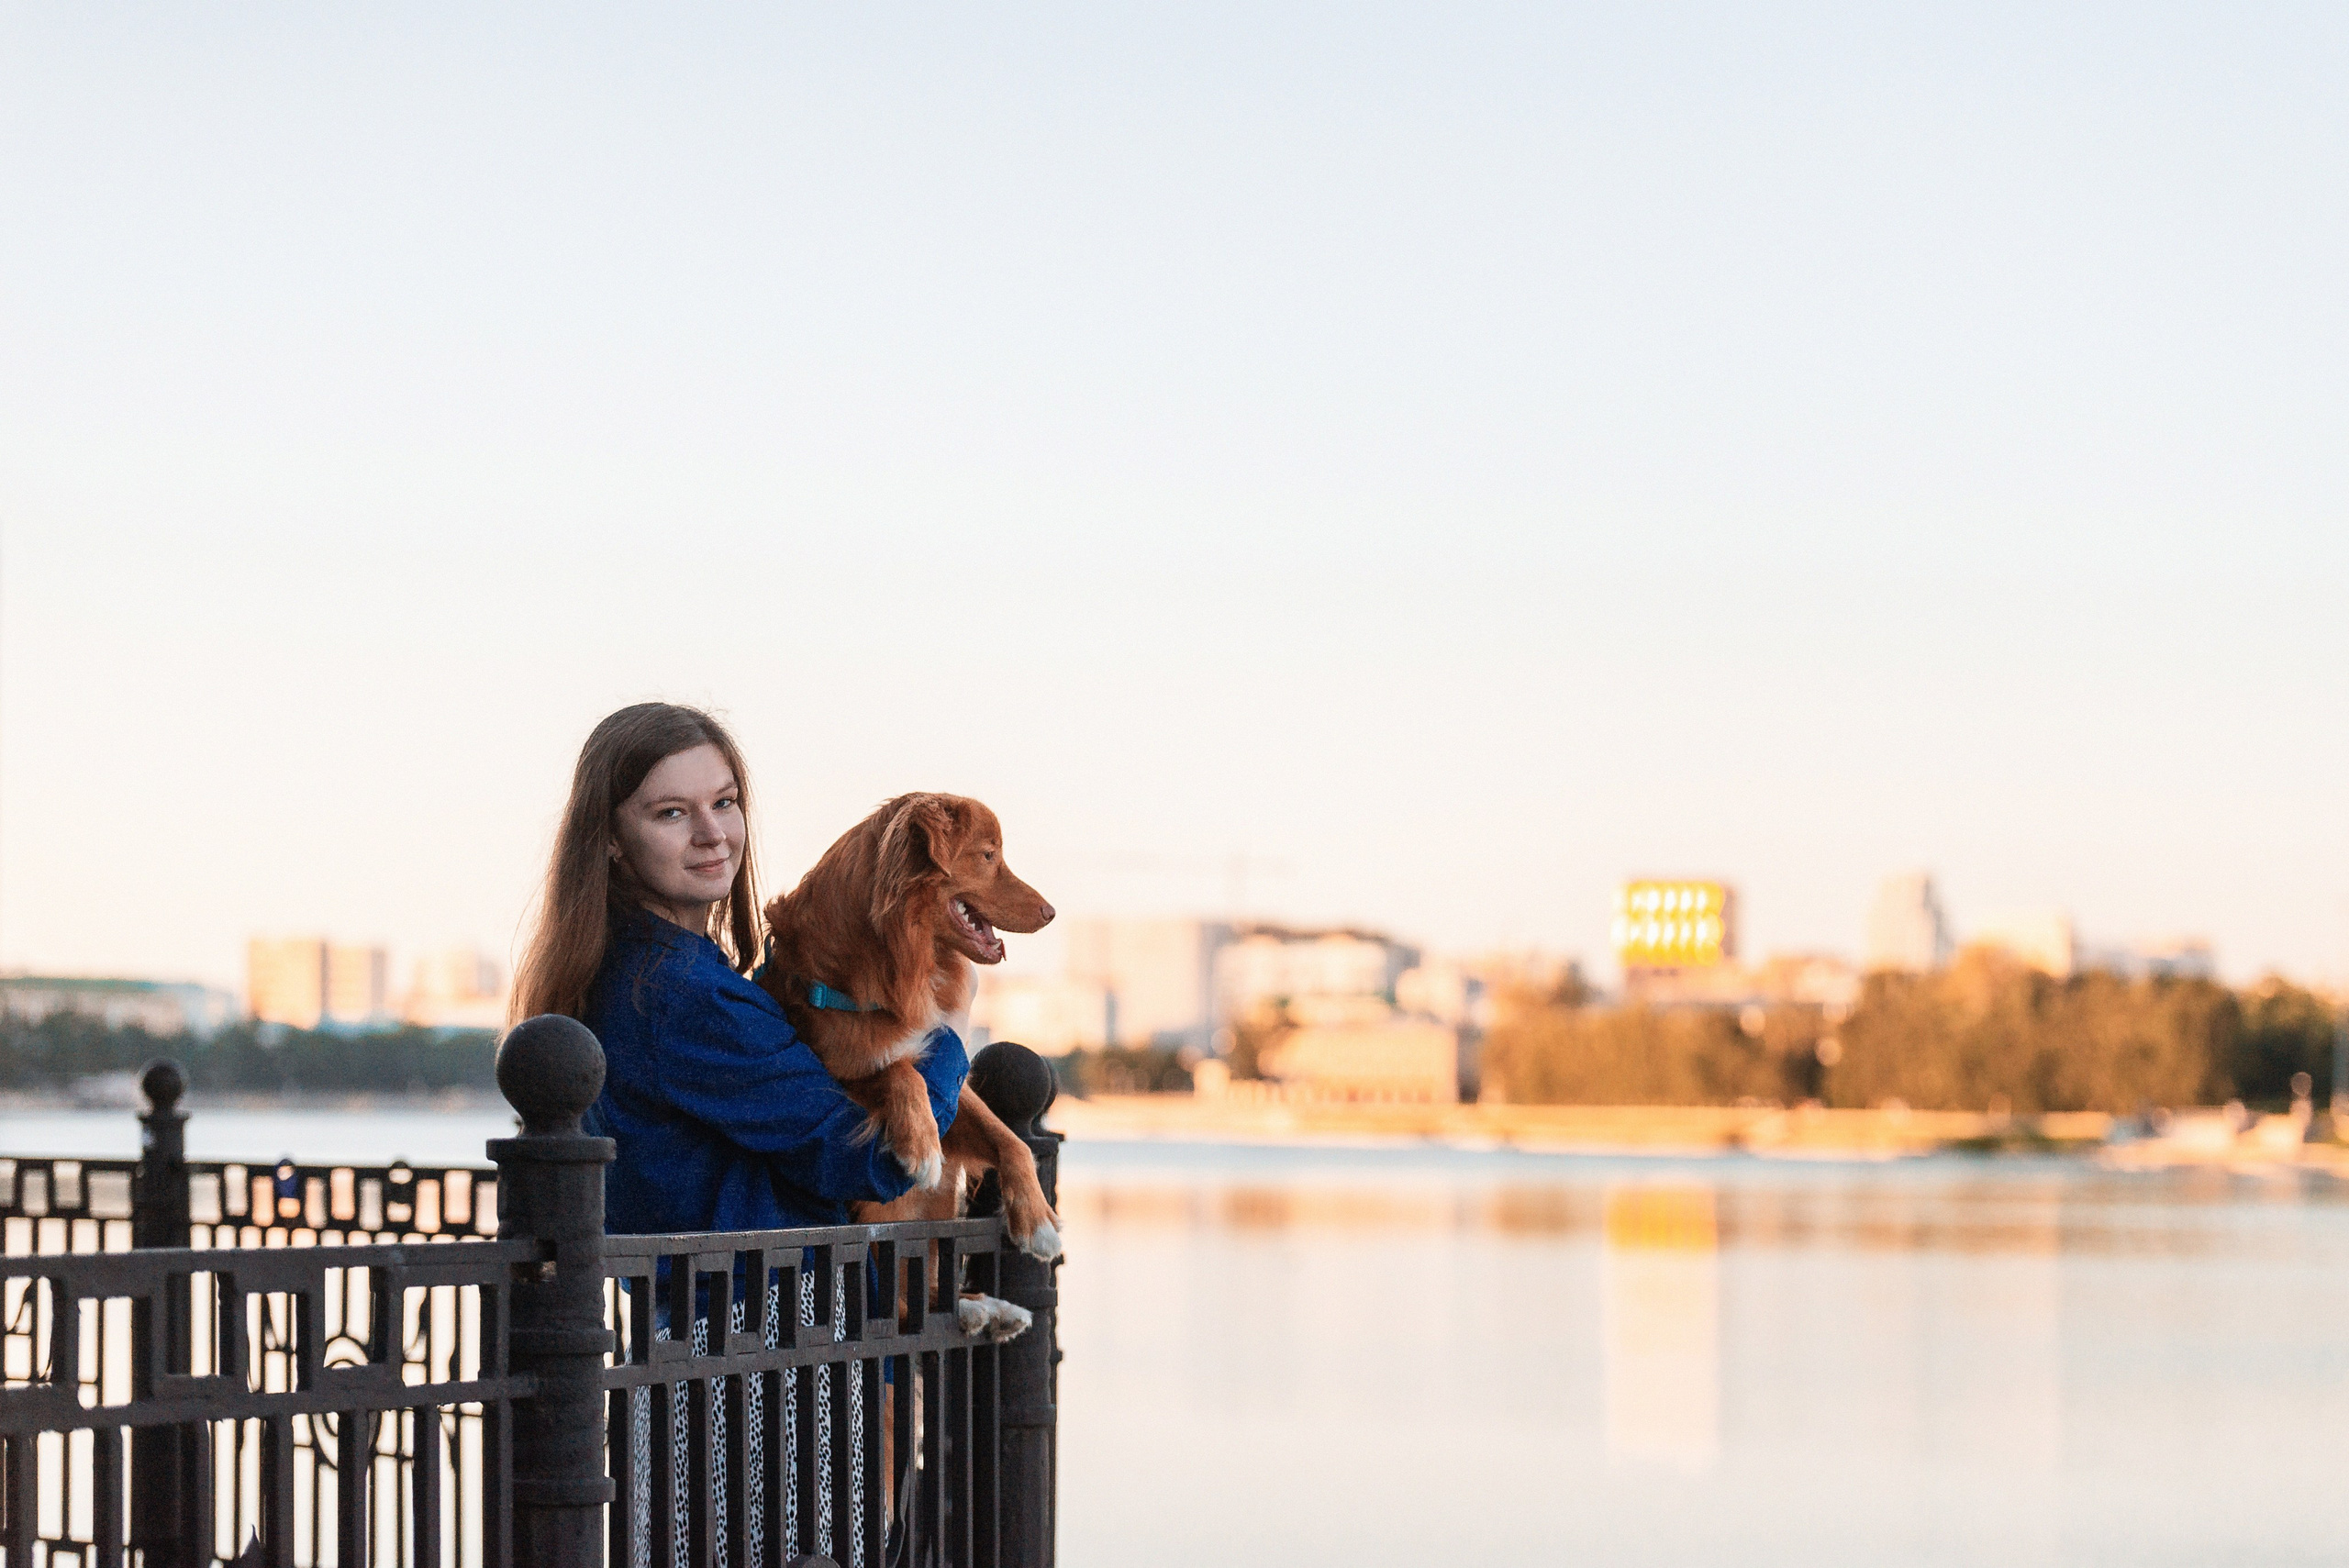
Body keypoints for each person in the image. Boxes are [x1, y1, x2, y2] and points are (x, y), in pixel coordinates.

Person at [511, 701, 967, 1235]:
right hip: (767, 1312)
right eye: (672, 813)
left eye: (724, 803)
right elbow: (872, 1163)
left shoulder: (628, 971)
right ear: (610, 839)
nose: (712, 833)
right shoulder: (686, 995)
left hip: (706, 1308)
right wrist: (951, 1026)